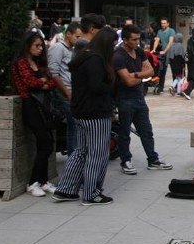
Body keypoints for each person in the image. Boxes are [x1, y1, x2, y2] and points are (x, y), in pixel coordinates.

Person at [52, 27, 117, 205]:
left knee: (80, 152)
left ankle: (65, 190)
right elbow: (97, 87)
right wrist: (112, 83)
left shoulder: (83, 55)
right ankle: (90, 193)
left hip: (80, 112)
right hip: (95, 114)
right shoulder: (96, 59)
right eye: (112, 44)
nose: (114, 48)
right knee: (98, 154)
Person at [114, 25, 173, 175]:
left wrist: (135, 75)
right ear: (125, 40)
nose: (137, 42)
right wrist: (141, 76)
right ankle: (125, 161)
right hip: (124, 99)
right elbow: (127, 81)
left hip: (139, 98)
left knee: (146, 131)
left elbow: (151, 71)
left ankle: (153, 159)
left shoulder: (139, 51)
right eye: (134, 39)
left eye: (138, 39)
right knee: (125, 133)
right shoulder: (118, 56)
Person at [11, 31, 59, 197]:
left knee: (48, 141)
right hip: (30, 105)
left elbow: (52, 81)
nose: (40, 49)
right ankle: (33, 183)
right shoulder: (21, 63)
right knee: (44, 141)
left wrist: (43, 84)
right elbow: (30, 82)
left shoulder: (39, 62)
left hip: (43, 105)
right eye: (36, 46)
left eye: (41, 46)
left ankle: (43, 180)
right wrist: (43, 83)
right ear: (27, 46)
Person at [47, 22, 82, 156]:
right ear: (68, 34)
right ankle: (74, 160)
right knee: (74, 127)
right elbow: (53, 73)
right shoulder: (57, 48)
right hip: (64, 93)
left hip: (72, 92)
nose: (79, 40)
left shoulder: (72, 50)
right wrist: (68, 93)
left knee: (75, 127)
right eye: (77, 37)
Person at [152, 17, 175, 93]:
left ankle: (175, 87)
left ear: (168, 23)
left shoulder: (171, 31)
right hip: (163, 54)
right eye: (162, 23)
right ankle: (161, 87)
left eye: (164, 23)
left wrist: (165, 51)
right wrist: (154, 49)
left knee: (174, 71)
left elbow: (170, 42)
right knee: (162, 70)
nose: (163, 24)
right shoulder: (159, 31)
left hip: (171, 53)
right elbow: (157, 40)